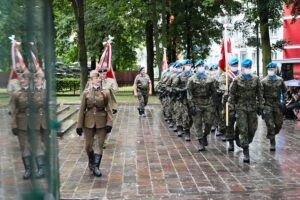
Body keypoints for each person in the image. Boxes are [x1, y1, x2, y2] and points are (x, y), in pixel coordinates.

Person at [76, 70, 113, 177]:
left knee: (99, 145)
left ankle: (96, 166)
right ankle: (91, 160)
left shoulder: (105, 92)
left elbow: (109, 109)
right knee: (88, 146)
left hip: (102, 121)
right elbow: (81, 109)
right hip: (88, 122)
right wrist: (79, 125)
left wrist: (110, 123)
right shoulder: (86, 93)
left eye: (98, 78)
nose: (97, 79)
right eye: (95, 78)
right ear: (91, 80)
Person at [10, 70, 46, 179]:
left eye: (24, 79)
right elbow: (13, 111)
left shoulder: (37, 92)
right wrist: (14, 125)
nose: (22, 80)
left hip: (35, 123)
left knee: (37, 146)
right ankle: (28, 170)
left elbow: (42, 105)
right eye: (21, 79)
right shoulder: (17, 94)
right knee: (24, 147)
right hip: (21, 124)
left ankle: (41, 169)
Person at [229, 58, 263, 163]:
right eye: (246, 67)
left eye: (249, 67)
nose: (247, 69)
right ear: (242, 68)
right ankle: (246, 152)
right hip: (241, 108)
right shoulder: (236, 80)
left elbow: (260, 94)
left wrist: (261, 106)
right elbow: (232, 95)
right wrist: (231, 109)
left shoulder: (256, 79)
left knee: (252, 129)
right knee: (244, 129)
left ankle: (238, 134)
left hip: (252, 108)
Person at [187, 59, 216, 151]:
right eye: (199, 66)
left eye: (202, 66)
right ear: (196, 68)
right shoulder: (192, 79)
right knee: (198, 123)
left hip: (208, 103)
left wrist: (215, 103)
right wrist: (191, 105)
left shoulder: (210, 78)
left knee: (209, 122)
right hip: (196, 103)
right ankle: (200, 142)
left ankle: (205, 135)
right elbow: (189, 93)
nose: (201, 68)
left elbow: (213, 92)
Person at [261, 62, 287, 151]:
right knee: (270, 125)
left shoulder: (280, 80)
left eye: (272, 69)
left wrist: (284, 101)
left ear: (275, 70)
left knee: (279, 124)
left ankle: (271, 134)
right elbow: (260, 94)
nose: (271, 71)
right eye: (269, 69)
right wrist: (261, 106)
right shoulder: (263, 81)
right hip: (267, 104)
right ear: (267, 70)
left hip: (277, 104)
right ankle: (272, 143)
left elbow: (284, 91)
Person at [172, 59, 193, 140]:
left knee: (191, 117)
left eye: (190, 65)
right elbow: (174, 86)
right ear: (184, 66)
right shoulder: (179, 76)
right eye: (187, 65)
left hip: (191, 99)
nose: (188, 66)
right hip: (182, 98)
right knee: (184, 115)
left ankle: (186, 127)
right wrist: (181, 90)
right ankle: (185, 130)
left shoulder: (194, 75)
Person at [223, 57, 241, 151]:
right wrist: (224, 92)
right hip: (229, 102)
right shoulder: (226, 76)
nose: (235, 67)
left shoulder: (241, 74)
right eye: (233, 65)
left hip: (240, 102)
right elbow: (220, 86)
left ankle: (237, 136)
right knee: (229, 122)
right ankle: (230, 142)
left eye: (236, 65)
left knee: (240, 122)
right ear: (229, 66)